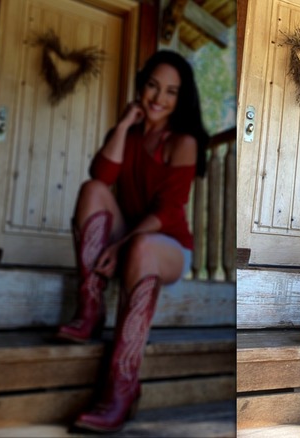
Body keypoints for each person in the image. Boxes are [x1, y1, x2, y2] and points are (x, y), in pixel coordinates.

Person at [54, 50, 209, 433]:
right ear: (141, 86)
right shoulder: (130, 130)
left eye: (171, 92)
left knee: (141, 247)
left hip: (168, 246)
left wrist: (120, 247)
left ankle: (122, 386)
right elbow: (101, 175)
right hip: (131, 232)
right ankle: (90, 308)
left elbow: (170, 211)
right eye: (153, 86)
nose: (158, 98)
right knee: (91, 189)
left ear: (180, 98)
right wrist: (124, 125)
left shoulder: (183, 141)